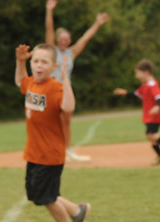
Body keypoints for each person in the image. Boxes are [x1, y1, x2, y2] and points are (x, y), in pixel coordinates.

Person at [15, 43, 91, 222]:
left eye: (44, 62)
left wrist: (65, 78)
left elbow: (68, 106)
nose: (39, 65)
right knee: (38, 194)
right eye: (35, 61)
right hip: (34, 153)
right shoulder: (31, 83)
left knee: (47, 198)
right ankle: (77, 211)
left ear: (54, 66)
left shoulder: (55, 87)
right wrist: (20, 61)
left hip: (50, 155)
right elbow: (20, 81)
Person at [45, 0, 110, 162]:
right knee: (52, 122)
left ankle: (68, 150)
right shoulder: (52, 50)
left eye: (67, 39)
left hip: (66, 91)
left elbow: (85, 38)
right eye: (61, 39)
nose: (64, 41)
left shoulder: (71, 52)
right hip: (51, 90)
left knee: (66, 122)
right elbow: (49, 30)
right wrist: (49, 10)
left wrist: (97, 23)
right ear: (57, 40)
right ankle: (54, 150)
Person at [113, 60, 160, 166]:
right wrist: (124, 93)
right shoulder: (145, 85)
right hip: (148, 115)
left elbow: (159, 96)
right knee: (151, 136)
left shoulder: (152, 84)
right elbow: (137, 94)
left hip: (155, 115)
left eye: (138, 73)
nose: (136, 76)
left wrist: (158, 106)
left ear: (146, 72)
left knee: (150, 134)